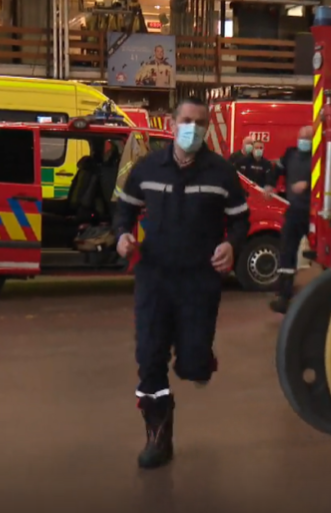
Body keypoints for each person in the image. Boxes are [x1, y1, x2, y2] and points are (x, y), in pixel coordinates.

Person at [112, 97, 250, 470]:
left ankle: (199, 358)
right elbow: (124, 209)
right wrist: (123, 235)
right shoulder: (147, 168)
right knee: (150, 357)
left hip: (199, 281)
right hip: (154, 277)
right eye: (187, 120)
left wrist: (232, 245)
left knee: (192, 363)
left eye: (200, 122)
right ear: (172, 125)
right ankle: (158, 436)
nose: (193, 128)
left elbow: (240, 220)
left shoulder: (221, 173)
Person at [265, 125, 313, 314]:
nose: (304, 141)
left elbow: (329, 176)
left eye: (308, 138)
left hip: (314, 212)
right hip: (294, 211)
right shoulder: (290, 154)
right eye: (302, 137)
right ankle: (284, 296)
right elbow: (277, 169)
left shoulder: (319, 157)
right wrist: (270, 184)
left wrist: (308, 183)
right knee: (287, 250)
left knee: (322, 253)